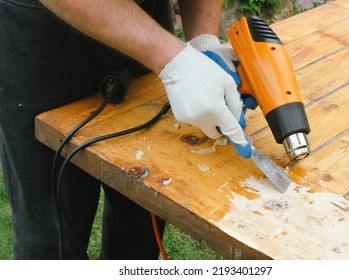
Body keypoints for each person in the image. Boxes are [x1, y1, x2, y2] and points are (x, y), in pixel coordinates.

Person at [0, 0, 252, 259]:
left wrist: (203, 41)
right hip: (41, 30)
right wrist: (173, 59)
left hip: (145, 19)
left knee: (142, 209)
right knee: (53, 231)